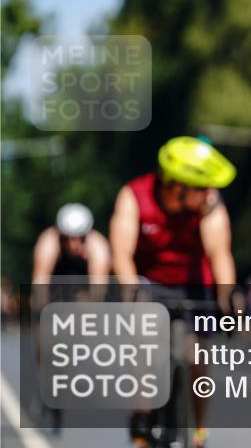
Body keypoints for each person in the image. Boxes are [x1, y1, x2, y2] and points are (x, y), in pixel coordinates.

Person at [109, 136, 237, 448]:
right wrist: (131, 294)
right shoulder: (134, 195)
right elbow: (121, 254)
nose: (208, 193)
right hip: (148, 284)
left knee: (197, 355)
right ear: (176, 185)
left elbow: (219, 253)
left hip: (195, 287)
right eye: (200, 187)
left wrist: (227, 298)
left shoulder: (210, 205)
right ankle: (142, 419)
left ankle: (198, 428)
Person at [31, 203, 111, 305]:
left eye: (79, 237)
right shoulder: (48, 242)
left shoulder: (98, 246)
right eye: (67, 238)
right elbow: (40, 282)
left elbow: (99, 287)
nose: (73, 244)